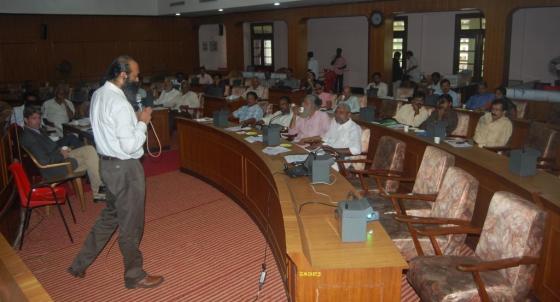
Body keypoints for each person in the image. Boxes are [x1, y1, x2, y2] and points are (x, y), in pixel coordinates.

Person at [68, 55, 164, 289]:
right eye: (135, 75)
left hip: (107, 166)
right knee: (131, 225)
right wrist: (142, 121)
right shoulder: (119, 103)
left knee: (110, 217)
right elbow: (130, 146)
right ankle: (135, 275)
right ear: (123, 75)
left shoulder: (100, 94)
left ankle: (79, 264)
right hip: (125, 169)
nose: (138, 79)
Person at [21, 106, 105, 201]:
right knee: (91, 159)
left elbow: (48, 148)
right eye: (34, 118)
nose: (38, 121)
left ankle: (99, 191)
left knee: (90, 150)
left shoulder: (36, 130)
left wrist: (61, 150)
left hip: (58, 156)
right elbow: (44, 161)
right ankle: (99, 192)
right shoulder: (29, 138)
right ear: (26, 120)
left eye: (39, 118)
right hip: (53, 168)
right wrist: (61, 154)